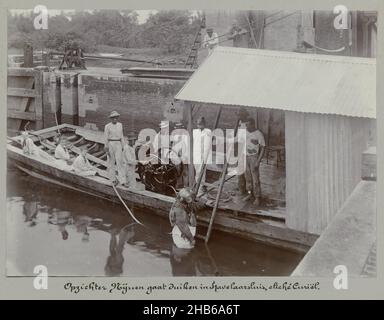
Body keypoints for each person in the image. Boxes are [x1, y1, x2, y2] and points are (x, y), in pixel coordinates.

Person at [238, 117, 265, 206]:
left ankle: (257, 197)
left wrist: (258, 161)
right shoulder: (245, 132)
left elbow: (263, 148)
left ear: (253, 124)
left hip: (254, 158)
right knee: (248, 178)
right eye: (245, 125)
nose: (246, 127)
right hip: (245, 157)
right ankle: (250, 194)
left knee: (255, 179)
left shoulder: (258, 134)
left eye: (248, 125)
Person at [104, 111, 126, 185]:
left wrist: (123, 146)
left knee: (120, 162)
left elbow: (122, 136)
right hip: (111, 144)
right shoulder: (107, 126)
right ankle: (113, 179)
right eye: (113, 118)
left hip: (118, 144)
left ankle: (122, 181)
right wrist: (106, 148)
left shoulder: (120, 125)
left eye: (116, 117)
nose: (115, 119)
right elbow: (106, 137)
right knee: (111, 162)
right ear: (111, 118)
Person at [193, 117, 212, 197]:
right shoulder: (194, 132)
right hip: (196, 154)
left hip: (204, 155)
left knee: (201, 172)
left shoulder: (208, 131)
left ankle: (200, 189)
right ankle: (197, 186)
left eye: (201, 124)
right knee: (197, 171)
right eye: (198, 124)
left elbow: (208, 144)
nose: (200, 126)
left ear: (204, 124)